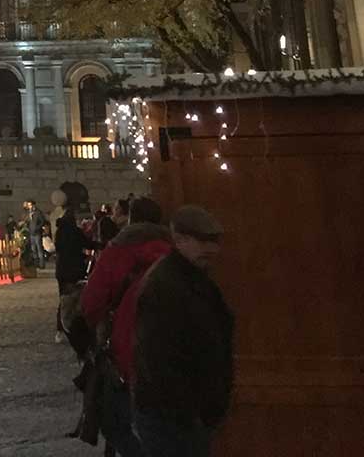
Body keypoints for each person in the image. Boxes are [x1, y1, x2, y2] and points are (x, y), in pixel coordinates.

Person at [134, 206, 234, 457]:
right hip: (173, 415)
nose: (211, 249)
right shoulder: (166, 284)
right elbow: (158, 358)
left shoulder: (193, 277)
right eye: (203, 241)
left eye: (214, 241)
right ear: (180, 240)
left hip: (187, 411)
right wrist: (190, 411)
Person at [80, 196, 171, 457]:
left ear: (130, 218)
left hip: (125, 353)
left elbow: (91, 303)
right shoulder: (175, 251)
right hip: (170, 355)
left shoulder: (117, 252)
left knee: (115, 424)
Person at [54, 196, 95, 344]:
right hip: (73, 269)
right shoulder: (75, 232)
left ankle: (60, 329)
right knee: (73, 299)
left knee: (63, 299)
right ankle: (72, 326)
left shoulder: (59, 231)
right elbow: (86, 244)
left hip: (61, 270)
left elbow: (58, 248)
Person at [24, 200, 48, 268]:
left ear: (34, 205)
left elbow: (42, 222)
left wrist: (37, 228)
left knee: (39, 248)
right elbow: (28, 222)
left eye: (30, 205)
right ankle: (36, 263)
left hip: (37, 233)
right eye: (28, 205)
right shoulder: (29, 213)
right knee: (33, 249)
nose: (29, 207)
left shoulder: (38, 212)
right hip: (31, 233)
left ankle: (42, 264)